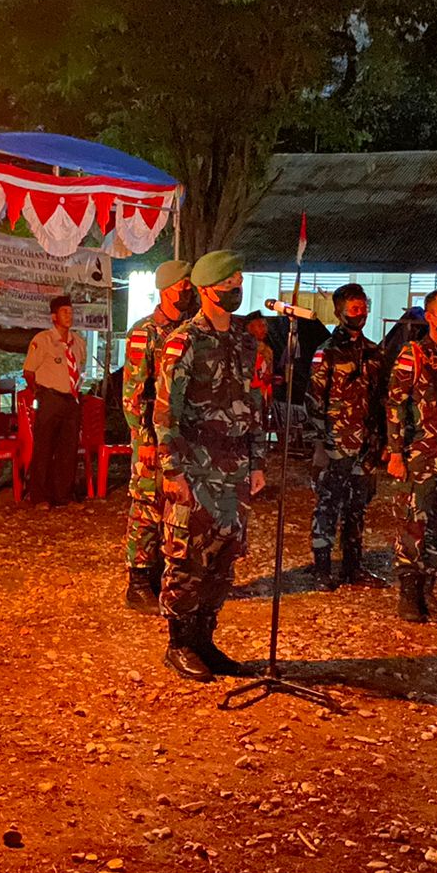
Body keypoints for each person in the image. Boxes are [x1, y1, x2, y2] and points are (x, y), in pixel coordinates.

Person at [154, 251, 265, 682]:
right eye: (228, 284)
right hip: (196, 464)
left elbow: (254, 405)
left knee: (224, 555)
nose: (236, 289)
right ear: (205, 290)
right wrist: (172, 470)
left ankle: (205, 639)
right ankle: (179, 643)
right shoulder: (184, 341)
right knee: (187, 555)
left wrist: (256, 462)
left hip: (235, 467)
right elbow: (166, 412)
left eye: (239, 282)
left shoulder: (244, 341)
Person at [386, 289, 437, 622]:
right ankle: (409, 595)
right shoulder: (414, 353)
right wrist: (395, 453)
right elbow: (395, 404)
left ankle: (428, 592)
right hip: (420, 454)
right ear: (431, 317)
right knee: (413, 523)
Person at [121, 260, 196, 610]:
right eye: (182, 285)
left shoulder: (189, 330)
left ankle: (162, 575)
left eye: (189, 285)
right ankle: (137, 583)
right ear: (166, 289)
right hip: (151, 437)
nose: (188, 290)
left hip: (178, 436)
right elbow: (134, 393)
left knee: (176, 506)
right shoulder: (145, 332)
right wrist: (145, 438)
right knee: (146, 507)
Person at [306, 282, 385, 590]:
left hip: (365, 445)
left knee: (357, 507)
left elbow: (380, 400)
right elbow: (314, 399)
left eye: (363, 307)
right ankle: (322, 568)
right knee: (328, 504)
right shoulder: (326, 352)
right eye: (354, 308)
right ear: (340, 312)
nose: (360, 313)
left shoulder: (374, 352)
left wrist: (382, 442)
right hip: (335, 444)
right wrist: (319, 445)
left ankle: (353, 567)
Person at [23, 293, 88, 507]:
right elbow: (28, 372)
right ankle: (39, 496)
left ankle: (63, 494)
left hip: (71, 399)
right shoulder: (43, 340)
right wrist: (38, 393)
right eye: (64, 312)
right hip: (50, 397)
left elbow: (80, 369)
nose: (69, 315)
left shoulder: (78, 342)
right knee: (44, 448)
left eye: (71, 312)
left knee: (68, 449)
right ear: (54, 316)